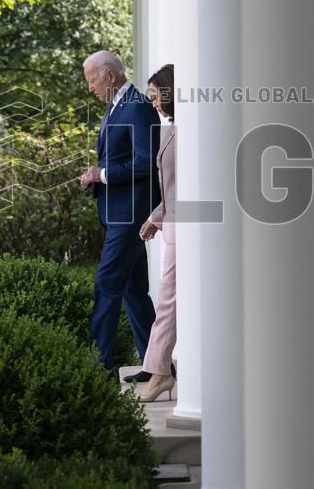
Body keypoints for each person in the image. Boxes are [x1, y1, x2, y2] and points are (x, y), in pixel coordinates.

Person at [78, 51, 161, 375]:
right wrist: (97, 173)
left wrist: (103, 175)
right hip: (120, 213)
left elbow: (145, 161)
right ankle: (158, 367)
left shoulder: (137, 107)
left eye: (92, 80)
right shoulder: (117, 107)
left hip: (129, 216)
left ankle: (97, 367)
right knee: (133, 290)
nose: (90, 88)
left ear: (110, 75)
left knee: (106, 284)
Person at [137, 64, 177, 402]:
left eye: (155, 96)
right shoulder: (172, 129)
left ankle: (160, 373)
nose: (152, 103)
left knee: (167, 302)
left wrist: (160, 217)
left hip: (186, 229)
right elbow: (172, 190)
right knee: (168, 301)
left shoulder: (186, 133)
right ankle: (159, 371)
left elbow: (184, 190)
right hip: (174, 226)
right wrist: (155, 217)